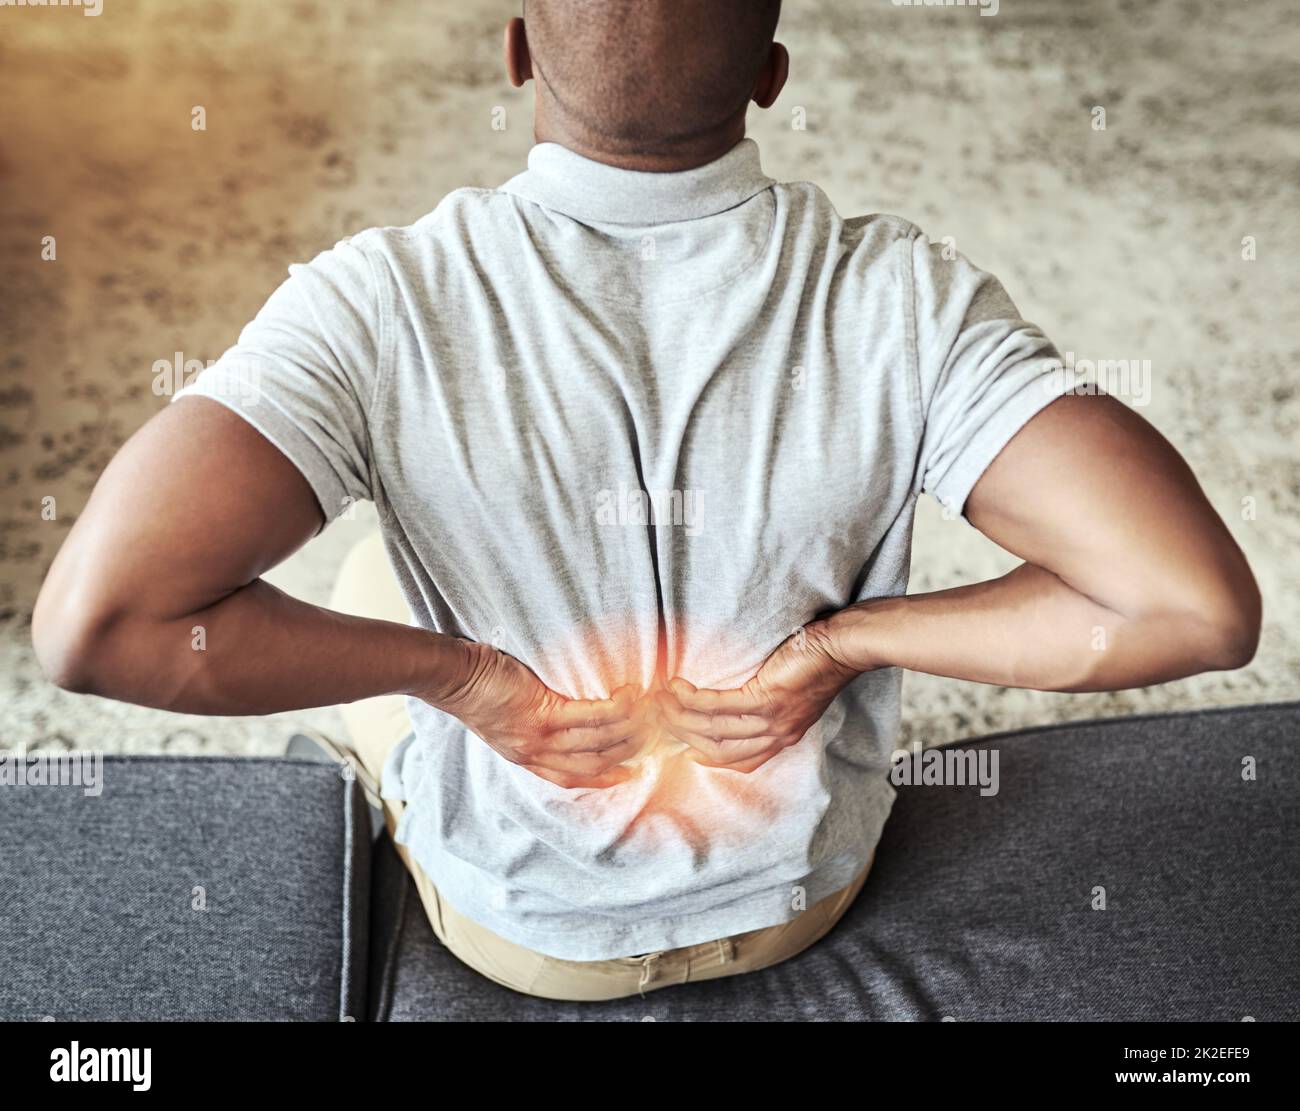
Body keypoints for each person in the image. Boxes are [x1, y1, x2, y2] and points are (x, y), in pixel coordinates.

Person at [31, 0, 1260, 1001]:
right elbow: (1188, 605)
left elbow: (98, 626)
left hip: (533, 939)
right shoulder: (906, 299)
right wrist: (840, 642)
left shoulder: (376, 302)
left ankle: (401, 780)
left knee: (367, 586)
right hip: (799, 898)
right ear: (771, 73)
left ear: (514, 47)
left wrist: (463, 680)